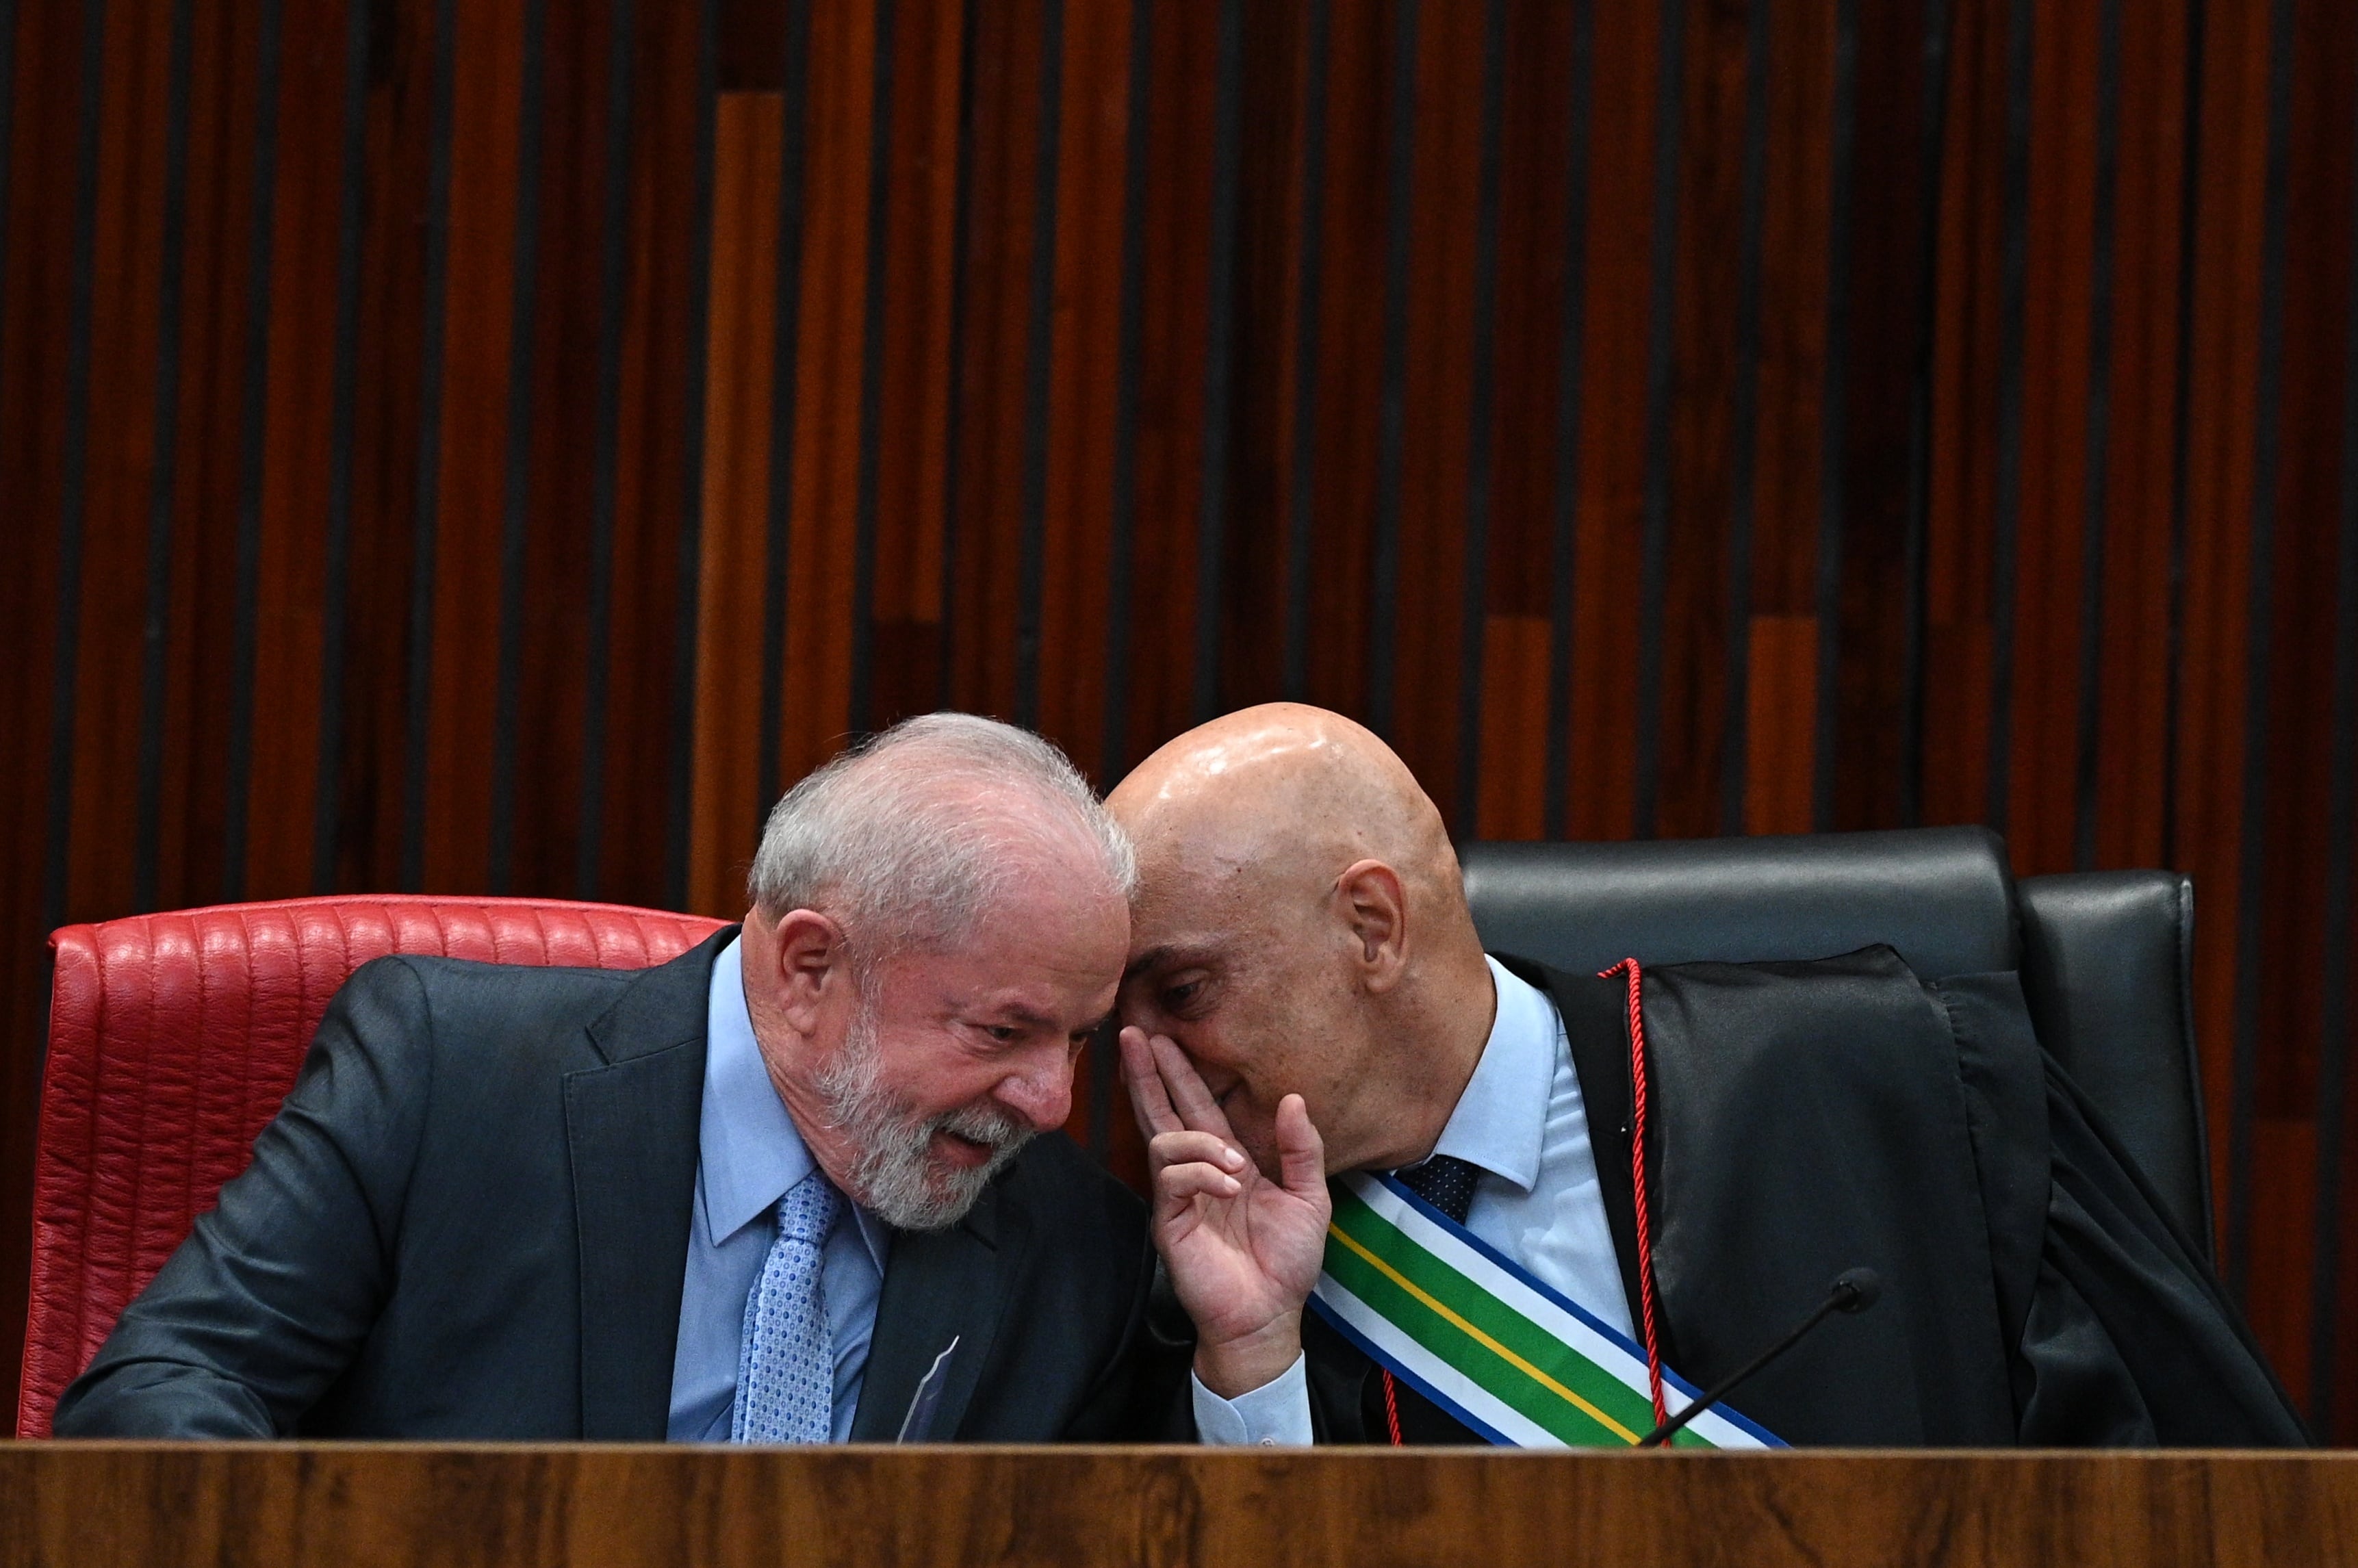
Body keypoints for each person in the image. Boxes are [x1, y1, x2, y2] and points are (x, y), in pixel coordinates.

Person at [1108, 702, 2307, 1448]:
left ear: (1372, 927)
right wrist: (1255, 1361)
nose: (1151, 1065)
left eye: (1184, 993)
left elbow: (2189, 1494)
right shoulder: (1206, 1288)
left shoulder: (1907, 1087)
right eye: (1119, 1018)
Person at [57, 714, 1176, 1441]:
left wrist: (1248, 1350)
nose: (1049, 1103)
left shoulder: (1074, 1248)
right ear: (809, 966)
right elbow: (162, 1399)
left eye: (1073, 1040)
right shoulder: (445, 1076)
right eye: (1000, 1033)